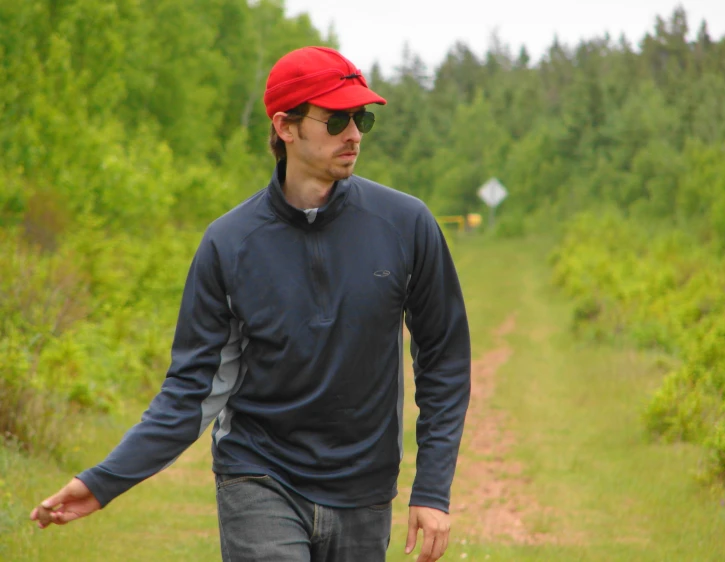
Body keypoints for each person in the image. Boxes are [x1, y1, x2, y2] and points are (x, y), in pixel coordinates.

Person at [31, 46, 471, 562]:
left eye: (361, 118)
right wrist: (104, 481)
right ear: (285, 127)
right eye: (335, 120)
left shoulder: (406, 225)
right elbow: (190, 390)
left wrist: (433, 489)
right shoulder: (229, 244)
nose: (353, 134)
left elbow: (444, 359)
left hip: (364, 490)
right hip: (258, 475)